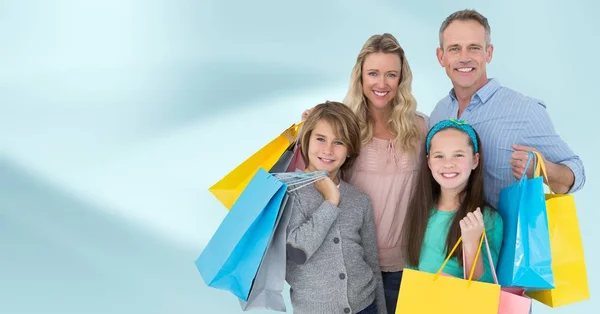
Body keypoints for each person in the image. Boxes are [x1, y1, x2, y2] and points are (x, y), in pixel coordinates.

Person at [302, 33, 427, 313]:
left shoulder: (421, 128)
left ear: (401, 79)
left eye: (391, 75)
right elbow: (311, 179)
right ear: (360, 76)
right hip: (349, 266)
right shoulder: (343, 128)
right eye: (373, 73)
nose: (381, 84)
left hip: (408, 267)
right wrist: (308, 133)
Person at [430, 9, 585, 208]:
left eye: (474, 48)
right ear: (440, 56)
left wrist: (542, 169)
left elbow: (577, 173)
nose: (464, 57)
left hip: (504, 238)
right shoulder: (439, 113)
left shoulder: (525, 111)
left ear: (489, 53)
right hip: (447, 238)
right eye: (454, 49)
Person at [286, 101, 386, 314]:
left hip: (365, 306)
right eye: (320, 139)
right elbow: (297, 251)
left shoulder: (359, 200)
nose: (328, 150)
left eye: (339, 142)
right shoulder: (289, 193)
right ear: (306, 139)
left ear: (349, 150)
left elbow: (372, 264)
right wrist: (330, 201)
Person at [402, 119, 503, 283]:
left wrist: (471, 244)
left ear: (475, 160)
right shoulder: (421, 211)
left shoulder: (488, 219)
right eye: (439, 156)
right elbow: (411, 270)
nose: (448, 164)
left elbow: (484, 289)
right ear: (428, 162)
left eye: (458, 155)